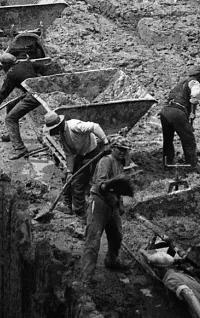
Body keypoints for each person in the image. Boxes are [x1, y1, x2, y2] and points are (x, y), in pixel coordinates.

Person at [81, 136, 134, 283]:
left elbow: (119, 188)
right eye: (121, 149)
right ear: (113, 148)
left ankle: (111, 261)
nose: (123, 153)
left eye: (126, 150)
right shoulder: (106, 161)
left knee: (116, 235)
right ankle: (86, 275)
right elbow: (100, 184)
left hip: (112, 204)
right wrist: (108, 186)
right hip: (99, 201)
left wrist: (120, 203)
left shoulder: (119, 164)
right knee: (93, 238)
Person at [44, 111, 109, 217]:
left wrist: (106, 142)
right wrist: (69, 171)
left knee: (77, 182)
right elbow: (69, 154)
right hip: (80, 154)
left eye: (53, 129)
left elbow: (95, 126)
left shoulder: (74, 126)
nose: (53, 132)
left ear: (59, 125)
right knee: (65, 176)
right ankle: (67, 206)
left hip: (91, 153)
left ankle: (80, 212)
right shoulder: (62, 135)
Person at [0, 54, 49, 158]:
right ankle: (12, 134)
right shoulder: (26, 63)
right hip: (38, 89)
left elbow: (2, 94)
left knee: (10, 119)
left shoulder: (11, 74)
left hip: (34, 96)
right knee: (10, 106)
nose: (2, 68)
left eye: (2, 66)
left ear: (7, 64)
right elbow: (42, 67)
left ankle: (20, 149)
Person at [160, 66, 200, 170]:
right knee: (188, 139)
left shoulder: (181, 83)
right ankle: (192, 164)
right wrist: (193, 112)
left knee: (168, 139)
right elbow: (195, 95)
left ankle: (167, 163)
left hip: (165, 111)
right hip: (177, 112)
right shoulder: (194, 82)